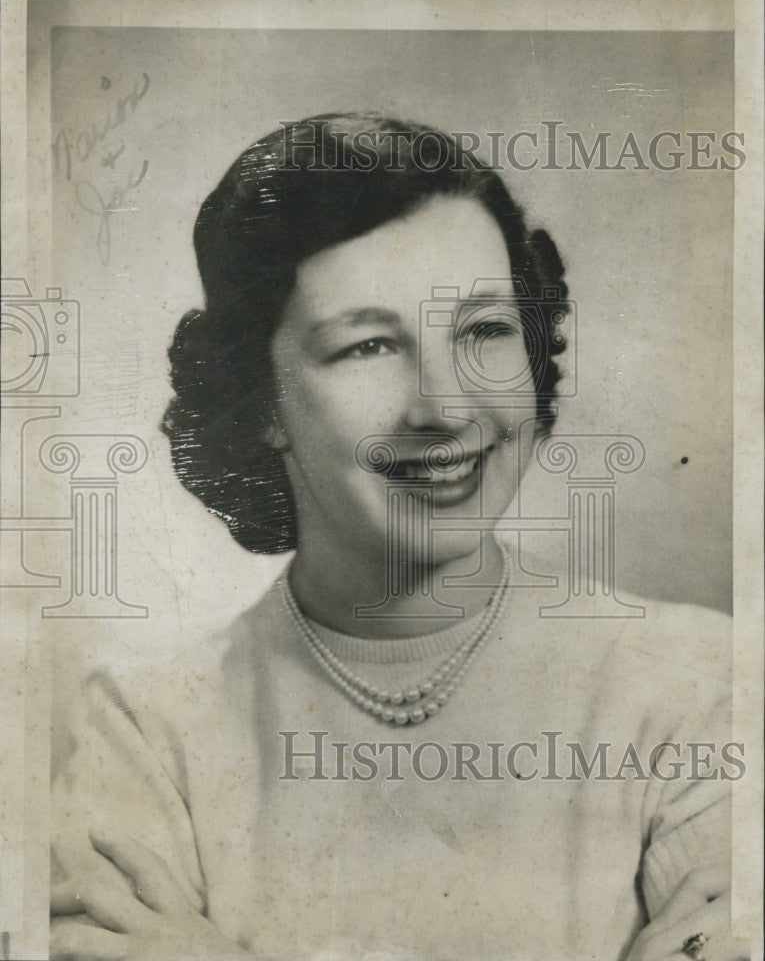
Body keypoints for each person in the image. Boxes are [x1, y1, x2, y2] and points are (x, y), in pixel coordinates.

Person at [51, 115, 740, 961]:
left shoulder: (702, 688)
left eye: (485, 331)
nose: (445, 409)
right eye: (369, 345)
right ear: (258, 398)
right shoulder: (145, 736)